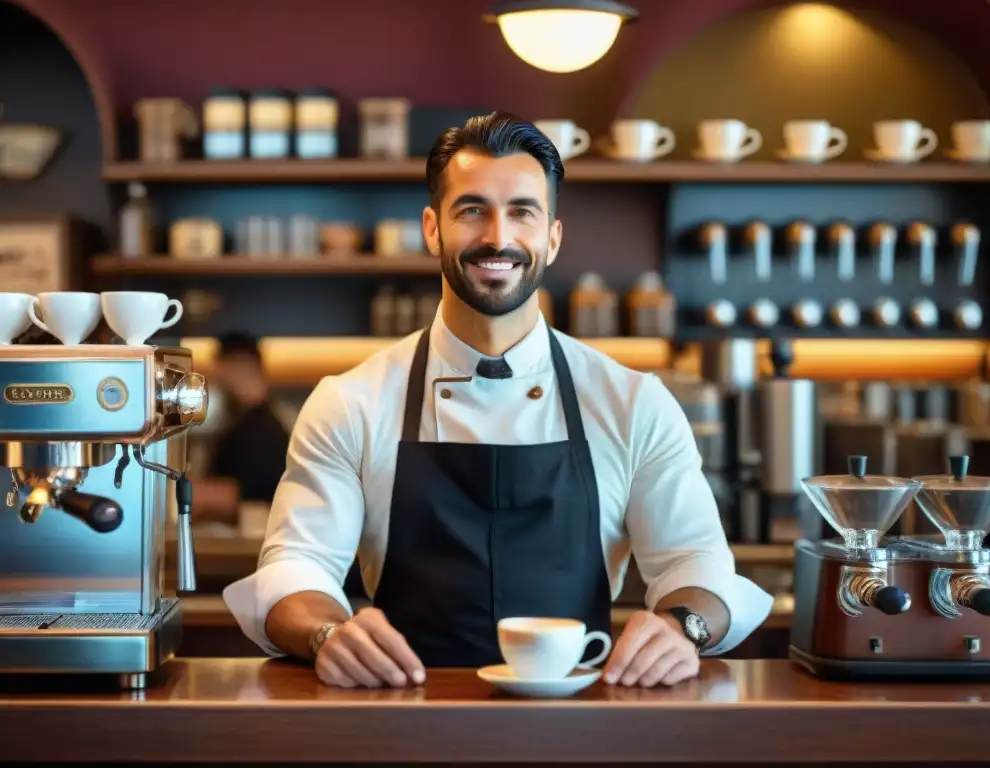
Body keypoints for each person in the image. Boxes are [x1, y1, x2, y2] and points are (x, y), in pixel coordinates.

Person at [224, 112, 774, 689]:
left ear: (552, 238)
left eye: (522, 212)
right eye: (472, 210)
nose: (497, 237)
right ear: (433, 229)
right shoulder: (351, 402)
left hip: (585, 733)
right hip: (401, 725)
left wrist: (681, 627)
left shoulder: (634, 402)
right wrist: (328, 635)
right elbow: (295, 568)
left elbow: (697, 564)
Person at [206, 331, 291, 504]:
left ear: (241, 365)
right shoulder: (249, 422)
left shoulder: (261, 429)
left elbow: (247, 492)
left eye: (221, 368)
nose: (217, 378)